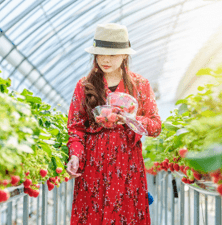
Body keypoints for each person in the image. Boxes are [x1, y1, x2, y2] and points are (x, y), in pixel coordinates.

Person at [66, 23, 161, 225]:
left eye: (112, 54)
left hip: (127, 166)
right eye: (100, 54)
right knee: (91, 217)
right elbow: (75, 128)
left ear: (125, 55)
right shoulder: (84, 86)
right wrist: (75, 154)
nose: (106, 60)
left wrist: (132, 119)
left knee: (125, 217)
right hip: (92, 167)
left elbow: (155, 126)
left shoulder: (140, 85)